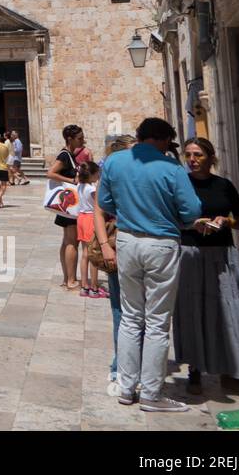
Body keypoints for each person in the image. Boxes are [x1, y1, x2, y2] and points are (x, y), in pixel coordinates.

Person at [97, 117, 202, 412]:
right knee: (156, 322)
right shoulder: (171, 167)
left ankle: (126, 387)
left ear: (141, 136)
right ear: (163, 139)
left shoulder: (115, 162)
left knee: (130, 317)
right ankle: (152, 395)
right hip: (160, 243)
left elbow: (105, 202)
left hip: (127, 241)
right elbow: (192, 211)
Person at [174, 136, 239, 393]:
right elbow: (171, 219)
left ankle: (235, 368)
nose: (192, 160)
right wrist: (193, 224)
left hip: (222, 254)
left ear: (210, 158)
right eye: (188, 155)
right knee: (194, 310)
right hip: (190, 253)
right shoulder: (181, 186)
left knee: (231, 309)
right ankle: (195, 370)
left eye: (198, 155)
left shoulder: (224, 186)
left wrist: (227, 222)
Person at [95, 135, 135, 390]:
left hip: (138, 248)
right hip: (119, 245)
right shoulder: (111, 178)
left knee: (135, 311)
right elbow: (100, 210)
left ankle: (128, 365)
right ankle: (122, 365)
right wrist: (105, 245)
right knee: (123, 309)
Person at [48, 124, 86, 290]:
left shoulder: (70, 155)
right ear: (70, 139)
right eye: (79, 138)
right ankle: (71, 280)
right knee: (72, 242)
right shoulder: (64, 155)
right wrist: (72, 181)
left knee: (67, 242)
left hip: (68, 206)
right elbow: (50, 173)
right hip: (70, 207)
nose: (83, 141)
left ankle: (66, 278)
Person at [74, 161, 103, 297]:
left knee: (85, 253)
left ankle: (84, 286)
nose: (99, 175)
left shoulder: (80, 186)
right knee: (94, 254)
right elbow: (100, 203)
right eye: (97, 173)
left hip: (81, 218)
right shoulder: (92, 189)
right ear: (92, 174)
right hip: (91, 219)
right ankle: (94, 287)